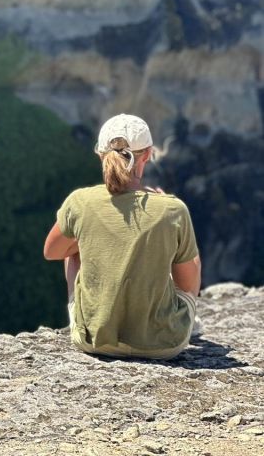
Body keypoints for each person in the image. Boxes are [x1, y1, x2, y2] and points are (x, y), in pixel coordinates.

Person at [43, 114, 201, 359]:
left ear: (100, 154)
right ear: (148, 154)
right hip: (164, 345)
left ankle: (97, 318)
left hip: (93, 341)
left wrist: (92, 231)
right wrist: (161, 222)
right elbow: (188, 285)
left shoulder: (79, 202)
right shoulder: (173, 209)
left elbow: (51, 251)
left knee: (72, 250)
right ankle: (172, 320)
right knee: (184, 254)